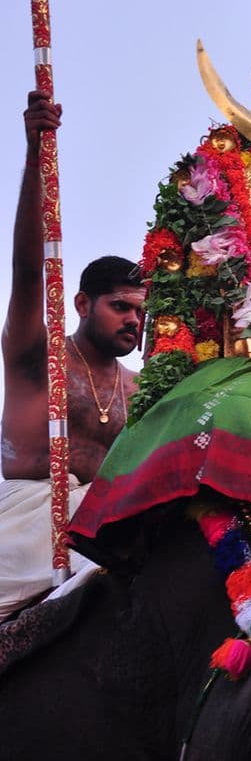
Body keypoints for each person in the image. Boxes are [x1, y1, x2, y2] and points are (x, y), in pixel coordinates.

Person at [0, 91, 146, 621]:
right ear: (82, 303)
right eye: (120, 307)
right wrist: (36, 158)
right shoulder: (38, 358)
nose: (133, 320)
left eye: (140, 312)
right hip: (23, 528)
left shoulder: (139, 391)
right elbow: (26, 271)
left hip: (102, 537)